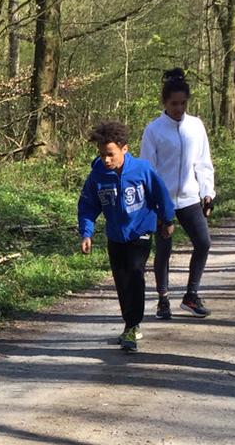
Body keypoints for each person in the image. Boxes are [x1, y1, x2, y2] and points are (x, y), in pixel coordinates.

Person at [77, 120, 177, 352]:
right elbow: (88, 206)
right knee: (122, 281)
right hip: (115, 236)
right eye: (102, 154)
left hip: (141, 231)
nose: (106, 159)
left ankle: (132, 326)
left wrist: (167, 220)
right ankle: (130, 323)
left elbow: (160, 194)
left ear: (124, 149)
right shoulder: (97, 176)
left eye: (110, 154)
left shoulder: (142, 169)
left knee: (135, 273)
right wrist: (86, 233)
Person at [139, 68, 216, 320]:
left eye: (183, 103)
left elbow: (203, 162)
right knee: (164, 250)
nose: (179, 108)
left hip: (190, 197)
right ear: (164, 102)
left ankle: (191, 295)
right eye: (174, 104)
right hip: (163, 201)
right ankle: (163, 300)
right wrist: (154, 203)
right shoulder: (154, 130)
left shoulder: (196, 126)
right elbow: (148, 170)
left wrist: (207, 192)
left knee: (203, 243)